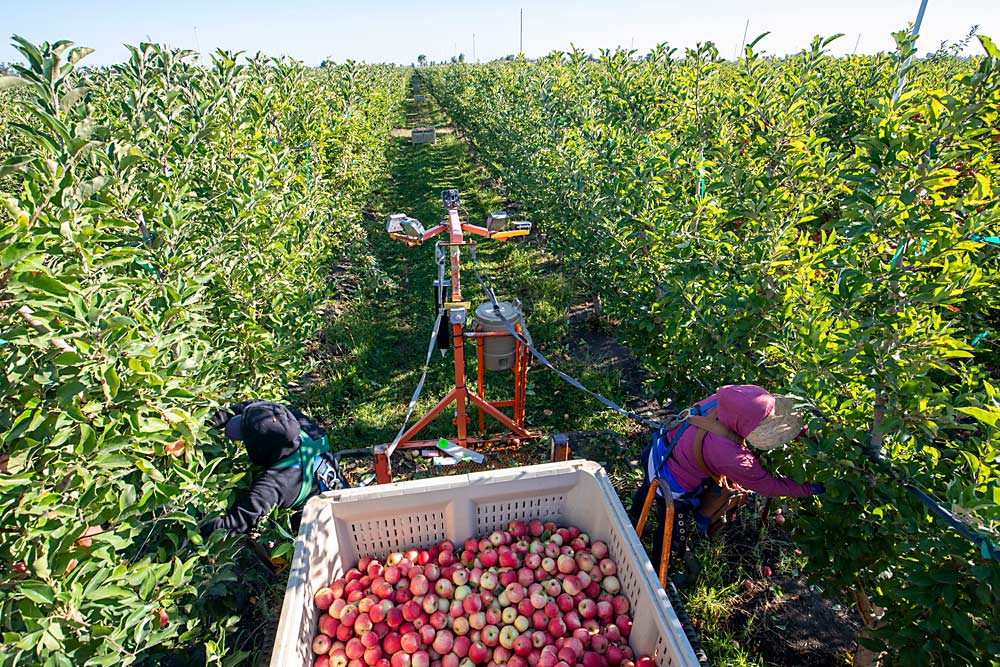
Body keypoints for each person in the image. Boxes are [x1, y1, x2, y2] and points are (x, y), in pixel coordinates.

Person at [629, 384, 824, 585]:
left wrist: (803, 433)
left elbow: (769, 417)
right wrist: (810, 488)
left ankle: (633, 518)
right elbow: (767, 486)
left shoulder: (725, 400)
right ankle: (657, 571)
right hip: (672, 484)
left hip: (657, 451)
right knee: (671, 528)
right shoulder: (730, 454)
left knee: (646, 488)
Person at [201, 400, 345, 536]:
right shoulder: (301, 424)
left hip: (324, 537)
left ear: (260, 447)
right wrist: (205, 423)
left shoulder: (275, 483)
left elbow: (232, 526)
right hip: (346, 500)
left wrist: (195, 518)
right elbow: (258, 405)